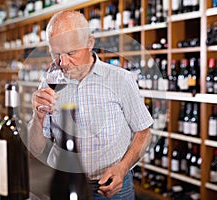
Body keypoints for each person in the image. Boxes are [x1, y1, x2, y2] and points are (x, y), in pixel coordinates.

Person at [28, 10, 153, 200]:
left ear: (90, 43)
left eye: (71, 53)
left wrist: (122, 167)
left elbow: (143, 132)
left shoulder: (120, 79)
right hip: (63, 184)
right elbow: (33, 150)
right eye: (56, 54)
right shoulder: (48, 84)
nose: (63, 62)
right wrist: (37, 118)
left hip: (112, 189)